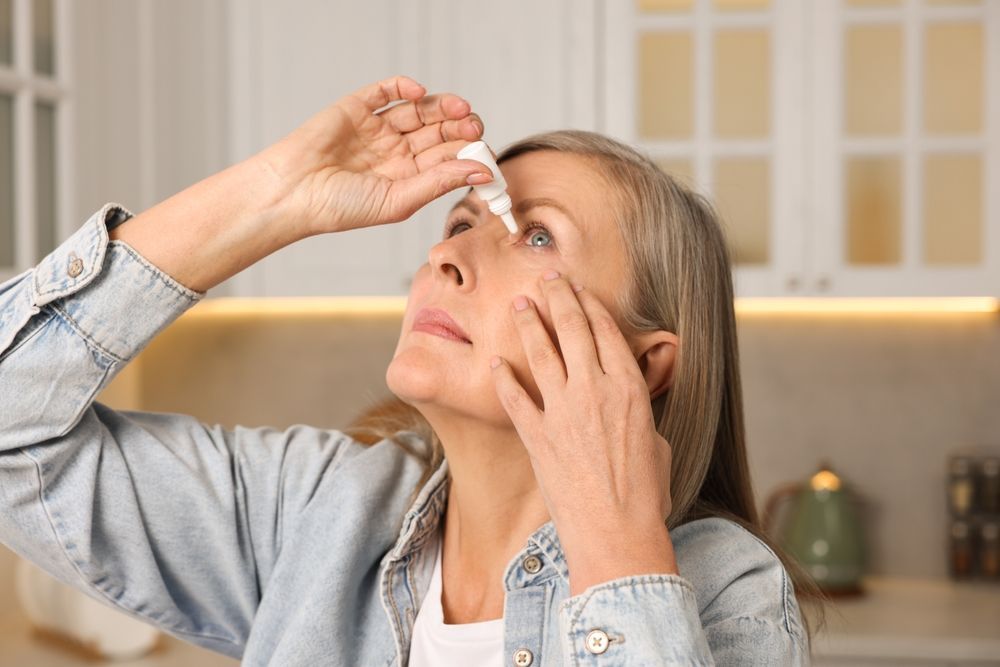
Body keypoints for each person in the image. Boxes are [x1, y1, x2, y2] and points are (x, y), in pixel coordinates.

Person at [0, 75, 825, 666]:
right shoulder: (318, 514)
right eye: (461, 220)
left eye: (536, 235)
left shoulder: (727, 591)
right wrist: (274, 197)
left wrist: (616, 544)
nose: (447, 256)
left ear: (646, 364)